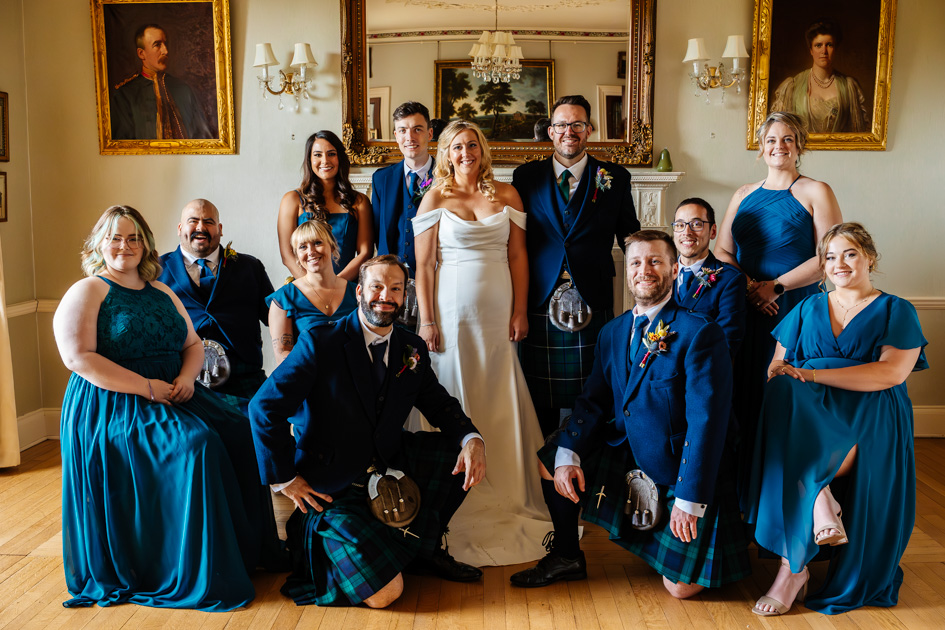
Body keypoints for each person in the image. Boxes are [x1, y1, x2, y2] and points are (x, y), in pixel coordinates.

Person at [54, 205, 276, 610]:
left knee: (242, 429)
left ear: (147, 245)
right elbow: (78, 358)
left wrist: (187, 379)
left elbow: (192, 345)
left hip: (176, 389)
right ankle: (197, 568)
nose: (125, 245)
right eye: (116, 237)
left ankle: (249, 553)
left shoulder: (160, 290)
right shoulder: (88, 291)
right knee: (198, 445)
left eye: (134, 238)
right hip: (115, 403)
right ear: (100, 244)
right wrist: (146, 388)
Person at [509, 231, 750, 597]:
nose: (644, 270)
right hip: (626, 447)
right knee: (552, 457)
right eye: (636, 262)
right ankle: (566, 555)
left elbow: (707, 423)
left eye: (655, 261)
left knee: (680, 589)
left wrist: (689, 499)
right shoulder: (613, 331)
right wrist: (568, 454)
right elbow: (592, 401)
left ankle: (660, 548)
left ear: (673, 268)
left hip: (676, 464)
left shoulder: (700, 333)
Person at [249, 255, 487, 608]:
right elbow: (263, 407)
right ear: (359, 291)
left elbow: (439, 404)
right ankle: (325, 548)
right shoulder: (320, 342)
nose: (385, 296)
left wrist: (472, 439)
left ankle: (426, 547)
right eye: (376, 287)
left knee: (460, 454)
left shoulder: (412, 348)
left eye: (395, 289)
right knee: (385, 595)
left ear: (405, 296)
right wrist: (283, 478)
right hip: (333, 485)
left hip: (390, 465)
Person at [747, 223, 927, 615]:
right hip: (808, 410)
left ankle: (796, 559)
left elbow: (890, 375)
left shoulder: (897, 309)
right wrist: (794, 375)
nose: (839, 263)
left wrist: (811, 374)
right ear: (822, 266)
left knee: (794, 425)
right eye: (830, 257)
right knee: (779, 387)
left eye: (850, 254)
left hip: (870, 410)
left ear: (869, 258)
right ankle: (803, 543)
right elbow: (778, 364)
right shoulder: (807, 307)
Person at [412, 119, 552, 566]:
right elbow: (425, 266)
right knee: (456, 389)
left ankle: (510, 486)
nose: (465, 152)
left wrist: (518, 311)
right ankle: (455, 497)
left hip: (497, 315)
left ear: (482, 149)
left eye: (472, 144)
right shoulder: (435, 196)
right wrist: (428, 321)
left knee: (498, 390)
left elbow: (517, 256)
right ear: (446, 153)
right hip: (451, 315)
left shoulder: (506, 195)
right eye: (457, 146)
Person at [715, 111, 842, 509]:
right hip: (747, 305)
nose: (779, 146)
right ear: (760, 147)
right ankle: (746, 503)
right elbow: (721, 250)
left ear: (799, 146)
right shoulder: (743, 194)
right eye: (771, 139)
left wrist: (777, 286)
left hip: (794, 307)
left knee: (786, 398)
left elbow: (830, 256)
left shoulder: (816, 190)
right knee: (746, 394)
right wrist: (752, 287)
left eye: (788, 139)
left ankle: (792, 505)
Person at [512, 94, 640, 437]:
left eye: (578, 124)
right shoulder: (526, 177)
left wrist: (648, 276)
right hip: (538, 296)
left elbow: (630, 235)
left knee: (593, 390)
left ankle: (583, 463)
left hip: (593, 294)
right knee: (538, 397)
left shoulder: (614, 176)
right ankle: (541, 473)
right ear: (550, 132)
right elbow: (514, 241)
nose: (570, 131)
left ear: (589, 130)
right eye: (562, 125)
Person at [160, 199, 274, 405]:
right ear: (180, 228)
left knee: (262, 431)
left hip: (245, 377)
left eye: (209, 221)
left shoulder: (250, 267)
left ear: (220, 229)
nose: (201, 227)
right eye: (193, 221)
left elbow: (274, 318)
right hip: (181, 380)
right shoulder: (156, 270)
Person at [278, 130, 372, 282]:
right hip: (306, 287)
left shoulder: (360, 202)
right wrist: (314, 286)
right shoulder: (292, 200)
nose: (325, 161)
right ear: (309, 159)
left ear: (340, 158)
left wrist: (336, 285)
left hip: (347, 286)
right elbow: (287, 255)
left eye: (331, 154)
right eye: (317, 155)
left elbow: (365, 253)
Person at [268, 219, 357, 365]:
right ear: (297, 255)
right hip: (307, 380)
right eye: (303, 247)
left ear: (332, 246)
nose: (311, 252)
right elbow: (282, 355)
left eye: (317, 243)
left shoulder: (357, 293)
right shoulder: (284, 298)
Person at [672, 197, 747, 357]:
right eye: (680, 225)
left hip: (702, 371)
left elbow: (727, 341)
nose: (687, 232)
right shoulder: (661, 274)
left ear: (713, 231)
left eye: (696, 224)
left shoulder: (730, 279)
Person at [110, 24, 213, 140]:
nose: (165, 51)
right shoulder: (124, 95)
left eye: (165, 44)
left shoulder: (183, 89)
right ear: (141, 53)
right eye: (157, 45)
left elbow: (203, 136)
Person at [371, 102, 436, 277]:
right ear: (396, 135)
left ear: (429, 133)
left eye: (417, 129)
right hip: (390, 278)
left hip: (435, 277)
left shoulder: (447, 177)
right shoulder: (381, 179)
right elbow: (378, 232)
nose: (410, 137)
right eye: (402, 130)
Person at [771, 20, 869, 133]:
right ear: (811, 50)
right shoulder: (793, 86)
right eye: (818, 45)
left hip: (840, 150)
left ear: (835, 49)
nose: (824, 51)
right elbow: (779, 130)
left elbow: (859, 132)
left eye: (829, 45)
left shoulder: (849, 86)